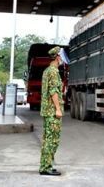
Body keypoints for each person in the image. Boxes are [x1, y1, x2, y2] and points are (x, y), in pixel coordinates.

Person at [39, 46, 65, 176]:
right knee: (52, 140)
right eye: (61, 55)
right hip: (52, 112)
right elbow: (53, 91)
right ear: (57, 57)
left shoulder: (47, 71)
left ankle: (46, 165)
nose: (62, 58)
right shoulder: (54, 72)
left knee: (48, 139)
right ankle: (46, 167)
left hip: (47, 111)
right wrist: (58, 109)